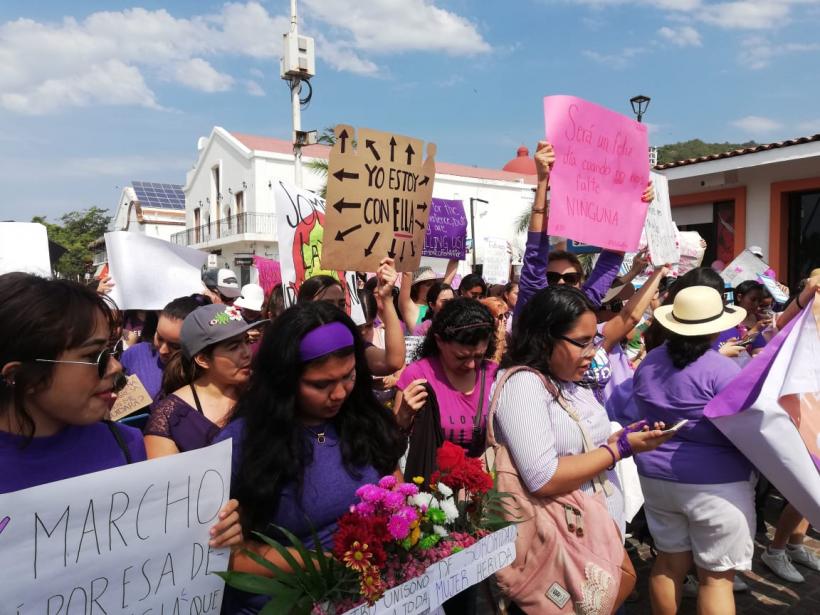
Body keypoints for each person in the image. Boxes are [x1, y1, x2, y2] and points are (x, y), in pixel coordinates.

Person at [0, 273, 241, 548]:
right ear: (23, 376)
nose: (115, 367)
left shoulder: (127, 445)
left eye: (111, 351)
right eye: (95, 357)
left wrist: (209, 531)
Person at [214, 301, 406, 614]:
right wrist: (327, 565)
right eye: (321, 385)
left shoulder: (364, 419)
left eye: (348, 376)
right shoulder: (244, 442)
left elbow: (395, 486)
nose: (340, 394)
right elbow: (231, 553)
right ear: (285, 381)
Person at [493, 285, 671, 614]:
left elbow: (584, 444)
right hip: (557, 547)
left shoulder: (568, 381)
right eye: (582, 342)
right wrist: (617, 451)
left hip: (592, 538)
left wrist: (621, 439)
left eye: (594, 341)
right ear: (545, 338)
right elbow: (542, 477)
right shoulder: (523, 385)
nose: (592, 352)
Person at [634, 286, 756, 615]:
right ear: (716, 327)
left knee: (668, 563)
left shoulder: (649, 363)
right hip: (717, 484)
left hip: (657, 477)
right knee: (716, 579)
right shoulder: (723, 370)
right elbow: (748, 427)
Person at [514, 141, 656, 321]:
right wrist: (543, 181)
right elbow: (536, 247)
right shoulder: (533, 305)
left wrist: (634, 200)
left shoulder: (583, 307)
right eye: (551, 277)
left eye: (570, 278)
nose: (561, 283)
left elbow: (611, 257)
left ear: (580, 283)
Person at [144, 304, 257, 458]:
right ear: (203, 359)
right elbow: (168, 480)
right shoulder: (170, 418)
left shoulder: (262, 391)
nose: (247, 353)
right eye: (233, 347)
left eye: (247, 341)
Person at [394, 298, 499, 451]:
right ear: (439, 341)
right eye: (460, 357)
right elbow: (394, 439)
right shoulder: (418, 375)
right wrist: (404, 415)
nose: (471, 365)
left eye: (478, 356)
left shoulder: (495, 375)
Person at [120, 294, 207, 400]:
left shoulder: (206, 373)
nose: (163, 350)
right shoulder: (135, 354)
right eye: (160, 338)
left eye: (175, 346)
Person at [399, 259, 458, 332]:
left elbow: (453, 266)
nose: (433, 287)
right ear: (416, 288)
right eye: (428, 284)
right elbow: (407, 274)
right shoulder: (410, 308)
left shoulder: (440, 301)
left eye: (434, 284)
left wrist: (456, 253)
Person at [480, 296, 510, 363]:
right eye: (500, 316)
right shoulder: (483, 338)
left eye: (506, 314)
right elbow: (492, 365)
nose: (505, 319)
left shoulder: (507, 335)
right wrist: (500, 338)